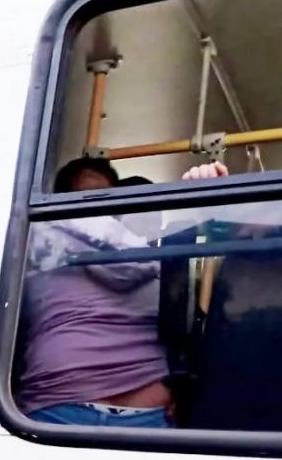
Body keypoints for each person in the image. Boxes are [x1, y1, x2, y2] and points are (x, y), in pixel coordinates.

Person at [17, 157, 228, 428]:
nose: (95, 210)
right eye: (84, 197)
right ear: (61, 203)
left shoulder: (162, 260)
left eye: (103, 198)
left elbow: (185, 330)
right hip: (60, 413)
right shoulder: (34, 247)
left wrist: (210, 198)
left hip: (141, 414)